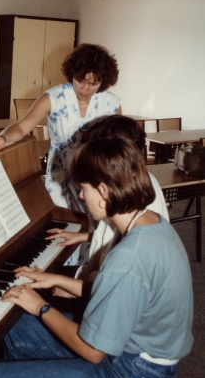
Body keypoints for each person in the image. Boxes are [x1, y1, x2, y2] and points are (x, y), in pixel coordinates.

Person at [0, 138, 193, 378]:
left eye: (84, 188)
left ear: (104, 191)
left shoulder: (128, 257)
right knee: (13, 329)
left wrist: (41, 307)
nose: (82, 196)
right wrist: (57, 279)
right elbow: (121, 297)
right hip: (135, 357)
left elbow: (93, 352)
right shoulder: (153, 223)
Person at [0, 43, 121, 212]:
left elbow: (120, 145)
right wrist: (2, 138)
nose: (84, 89)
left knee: (94, 226)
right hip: (60, 174)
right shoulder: (54, 97)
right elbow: (21, 128)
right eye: (79, 81)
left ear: (103, 81)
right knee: (60, 223)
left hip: (97, 175)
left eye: (92, 84)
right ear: (72, 74)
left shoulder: (111, 103)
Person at [47, 115, 169, 270]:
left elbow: (118, 271)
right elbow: (117, 236)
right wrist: (83, 236)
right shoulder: (133, 182)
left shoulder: (129, 195)